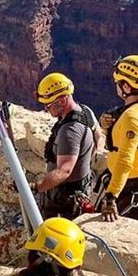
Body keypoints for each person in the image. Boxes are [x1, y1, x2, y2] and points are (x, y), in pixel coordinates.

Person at [98, 55, 138, 227]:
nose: (117, 86)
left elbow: (125, 161)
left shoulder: (131, 119)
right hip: (135, 179)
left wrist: (111, 197)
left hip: (126, 188)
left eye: (118, 83)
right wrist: (107, 126)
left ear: (126, 86)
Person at [30, 73, 103, 219]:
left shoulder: (70, 131)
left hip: (63, 200)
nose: (46, 109)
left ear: (63, 100)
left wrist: (36, 187)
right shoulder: (86, 111)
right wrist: (84, 161)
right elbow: (98, 135)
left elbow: (65, 170)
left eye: (48, 104)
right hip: (81, 187)